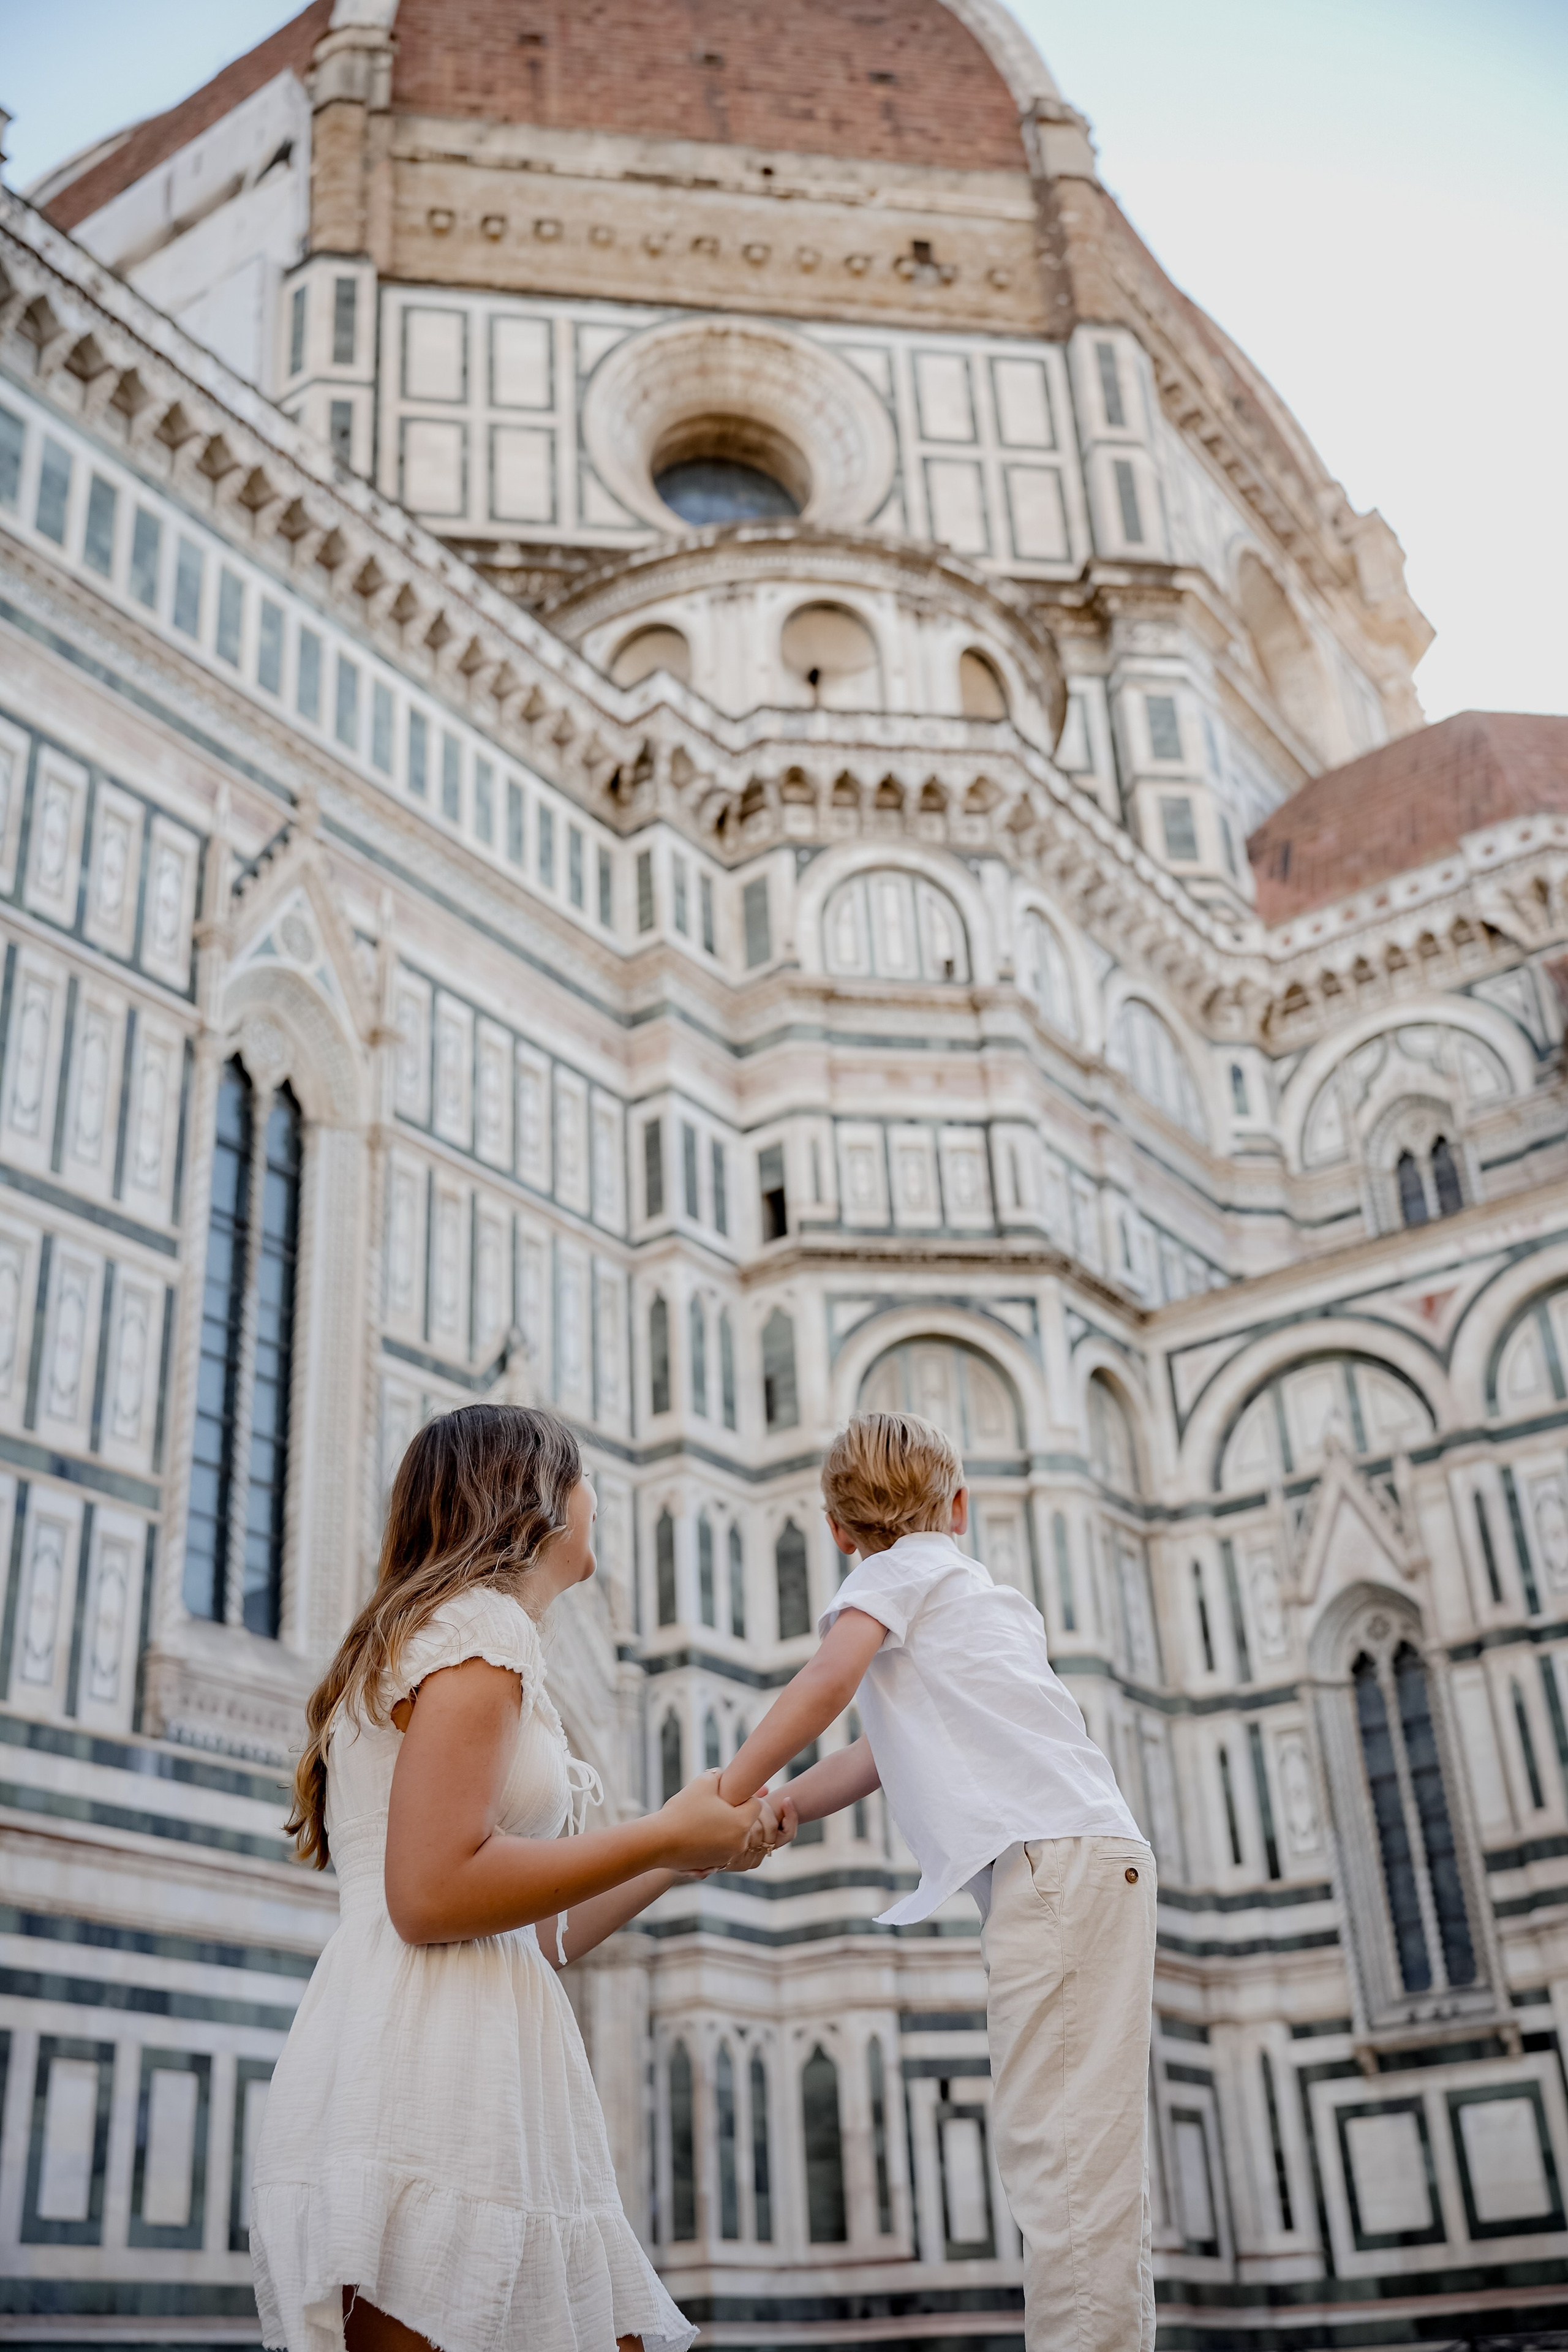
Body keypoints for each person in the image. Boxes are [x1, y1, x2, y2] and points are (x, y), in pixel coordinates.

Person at [252, 1403, 775, 2352]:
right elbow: (432, 1896)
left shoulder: (456, 1635)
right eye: (584, 1477)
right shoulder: (479, 1630)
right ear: (536, 1498)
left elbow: (539, 1932)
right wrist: (659, 1827)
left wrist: (678, 1853)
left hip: (472, 2058)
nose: (596, 1498)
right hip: (431, 2066)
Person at [717, 1409, 1156, 2352]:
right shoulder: (974, 1594)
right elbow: (886, 1747)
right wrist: (789, 1802)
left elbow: (830, 1686)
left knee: (1062, 2160)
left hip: (1057, 1869)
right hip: (1095, 1862)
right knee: (1092, 2157)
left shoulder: (891, 1574)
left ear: (837, 1532)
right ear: (960, 1505)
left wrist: (730, 1787)